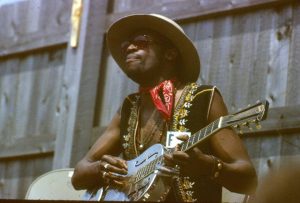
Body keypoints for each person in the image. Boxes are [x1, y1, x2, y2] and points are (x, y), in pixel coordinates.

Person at [71, 14, 257, 202]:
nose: (129, 47)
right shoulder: (129, 107)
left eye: (141, 42)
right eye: (125, 45)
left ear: (170, 53)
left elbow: (248, 180)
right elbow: (79, 176)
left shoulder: (204, 98)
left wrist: (208, 166)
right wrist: (101, 168)